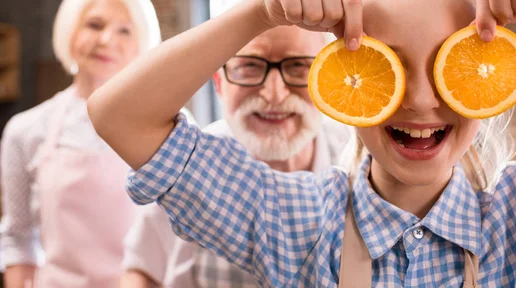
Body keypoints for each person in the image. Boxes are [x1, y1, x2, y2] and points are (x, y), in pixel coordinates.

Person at [88, 0, 516, 286]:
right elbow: (120, 113)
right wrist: (263, 10)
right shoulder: (300, 224)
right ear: (348, 83)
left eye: (450, 65)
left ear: (487, 77)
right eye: (389, 67)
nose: (420, 100)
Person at [120, 26, 350, 287]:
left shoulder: (356, 159)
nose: (274, 94)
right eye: (249, 67)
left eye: (298, 67)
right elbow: (142, 270)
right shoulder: (191, 158)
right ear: (219, 83)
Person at [0, 0, 164, 288]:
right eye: (94, 25)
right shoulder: (26, 130)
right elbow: (18, 240)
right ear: (69, 33)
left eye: (124, 30)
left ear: (142, 43)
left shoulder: (169, 124)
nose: (106, 40)